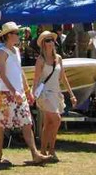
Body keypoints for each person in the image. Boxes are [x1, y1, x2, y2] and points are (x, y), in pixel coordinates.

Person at [0, 22, 51, 166]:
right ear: (8, 36)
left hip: (19, 94)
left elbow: (20, 72)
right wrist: (14, 92)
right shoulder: (1, 53)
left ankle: (35, 154)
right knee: (1, 125)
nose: (18, 36)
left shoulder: (16, 51)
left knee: (27, 123)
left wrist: (27, 91)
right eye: (16, 33)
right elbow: (2, 75)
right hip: (6, 94)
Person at [33, 31, 77, 161]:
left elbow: (63, 77)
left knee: (48, 122)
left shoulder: (58, 58)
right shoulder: (40, 60)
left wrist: (71, 94)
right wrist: (33, 95)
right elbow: (36, 80)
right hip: (45, 93)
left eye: (51, 40)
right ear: (43, 44)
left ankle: (43, 151)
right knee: (56, 119)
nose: (51, 42)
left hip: (56, 92)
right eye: (47, 40)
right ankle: (51, 149)